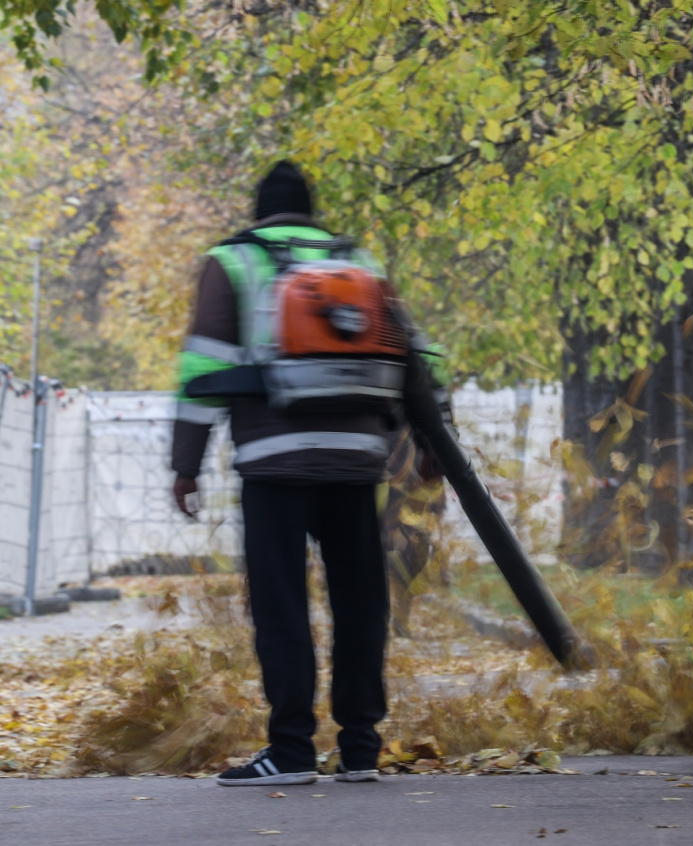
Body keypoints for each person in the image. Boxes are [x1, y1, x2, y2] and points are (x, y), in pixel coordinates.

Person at [171, 160, 427, 786]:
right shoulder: (358, 262)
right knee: (360, 602)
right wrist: (430, 447)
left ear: (259, 211)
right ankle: (361, 749)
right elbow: (414, 357)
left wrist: (185, 465)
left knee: (282, 607)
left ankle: (290, 751)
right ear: (311, 211)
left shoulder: (232, 262)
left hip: (274, 462)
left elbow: (203, 370)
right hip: (355, 461)